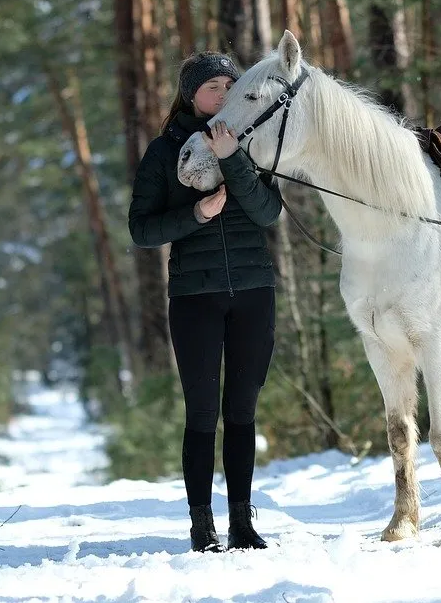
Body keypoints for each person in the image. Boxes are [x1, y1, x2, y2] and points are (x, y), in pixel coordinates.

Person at [128, 52, 282, 552]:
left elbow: (268, 212)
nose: (222, 94)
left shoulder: (251, 141)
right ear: (191, 94)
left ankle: (241, 522)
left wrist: (232, 157)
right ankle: (202, 525)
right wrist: (195, 215)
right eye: (213, 86)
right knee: (201, 413)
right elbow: (141, 229)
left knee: (242, 410)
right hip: (195, 298)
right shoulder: (164, 150)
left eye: (230, 86)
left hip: (254, 293)